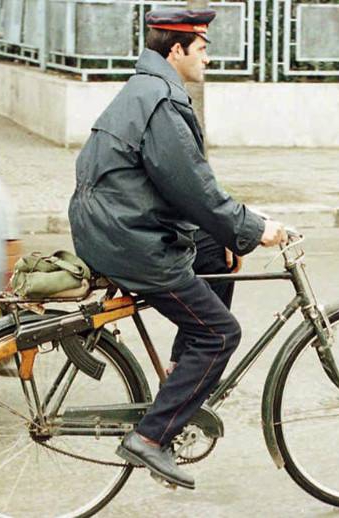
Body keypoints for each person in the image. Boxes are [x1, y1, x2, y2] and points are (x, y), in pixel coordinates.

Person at [68, 8, 287, 490]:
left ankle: (179, 375)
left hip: (114, 224)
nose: (207, 57)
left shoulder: (147, 88)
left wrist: (231, 233)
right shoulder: (162, 101)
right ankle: (150, 437)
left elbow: (179, 188)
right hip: (127, 238)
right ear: (177, 49)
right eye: (202, 48)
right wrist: (254, 227)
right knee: (220, 334)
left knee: (216, 253)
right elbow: (193, 188)